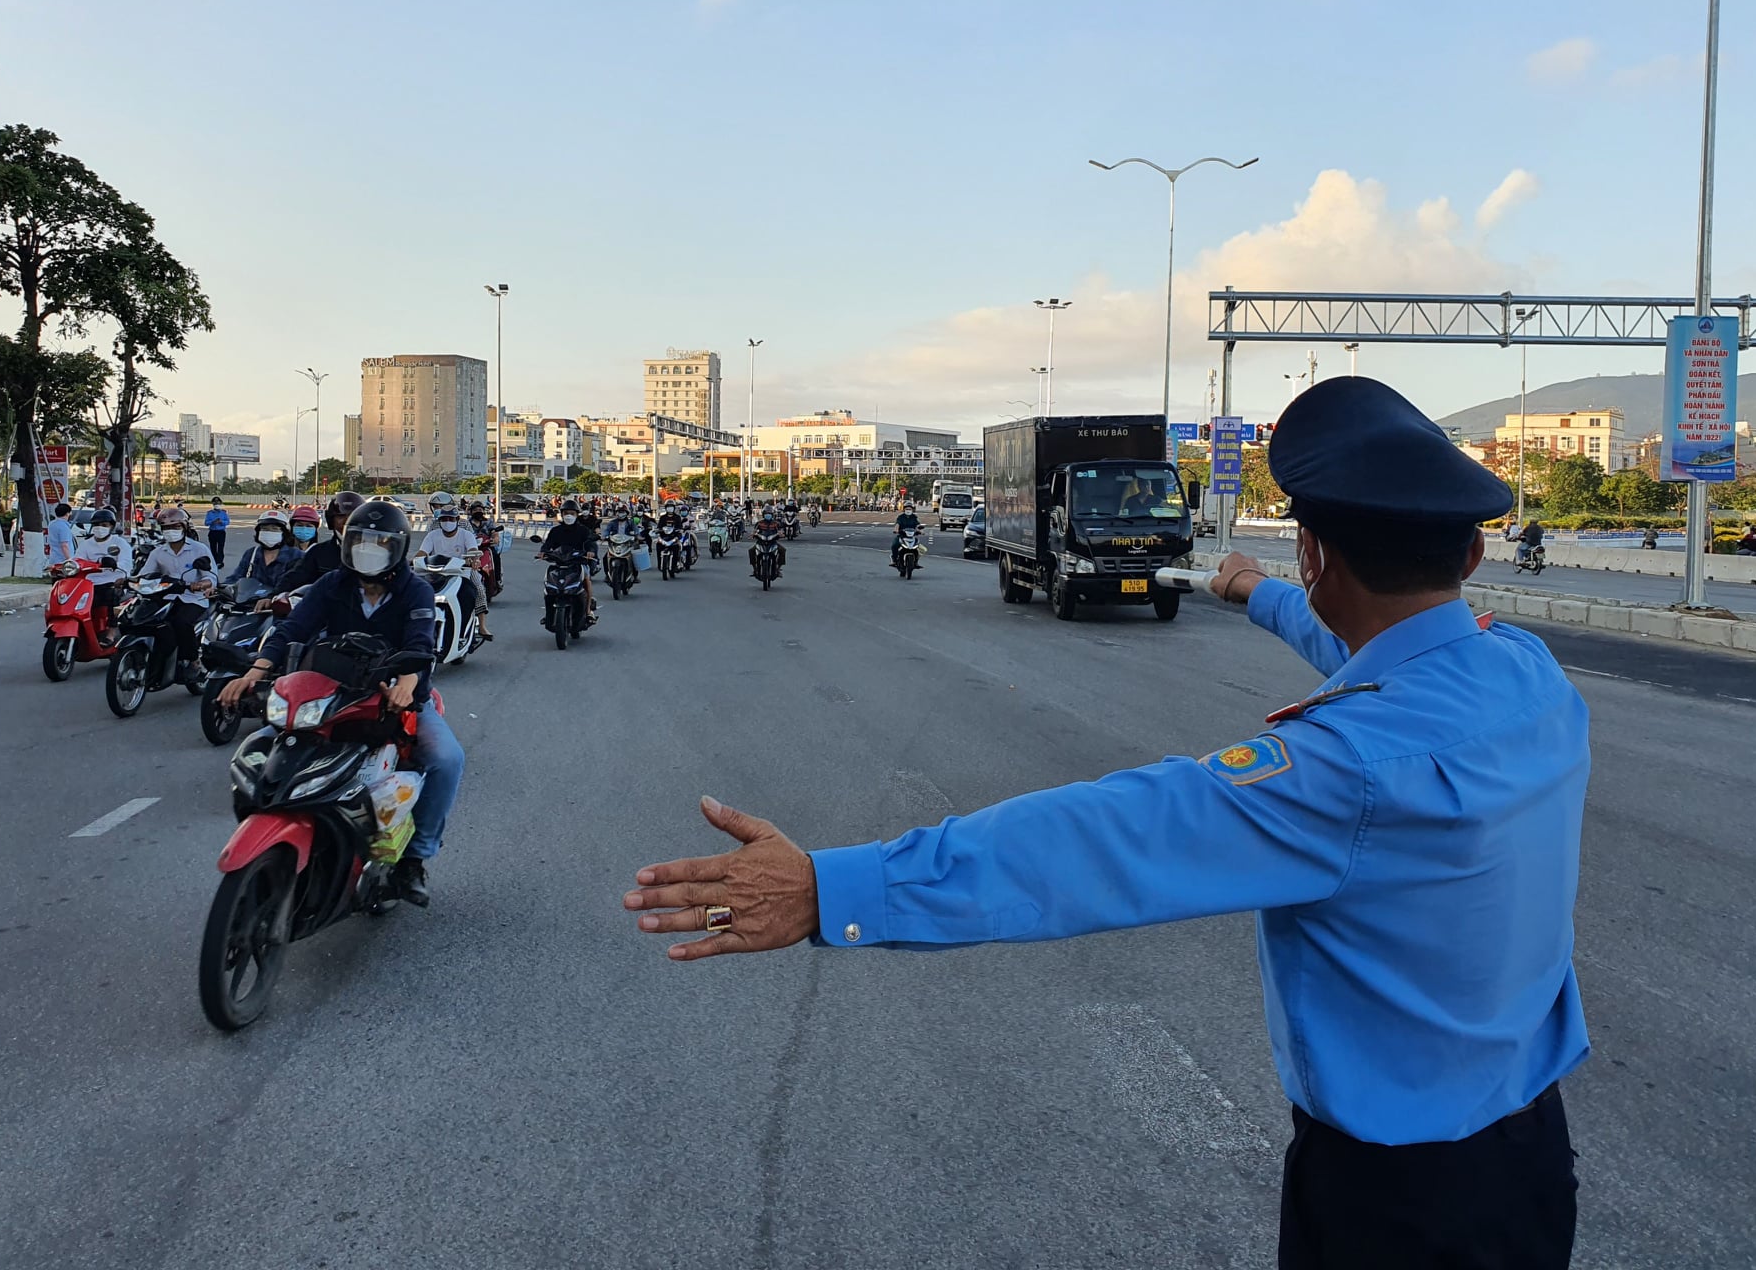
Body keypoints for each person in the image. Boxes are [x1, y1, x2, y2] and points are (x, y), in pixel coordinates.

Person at [625, 376, 1588, 1270]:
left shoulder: (1343, 771)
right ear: (1470, 554)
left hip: (1399, 1206)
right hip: (1532, 1162)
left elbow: (1103, 838)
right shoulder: (1524, 674)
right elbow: (1384, 645)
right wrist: (1256, 596)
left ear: (1314, 553)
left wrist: (829, 889)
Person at [218, 501, 464, 908]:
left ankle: (415, 859)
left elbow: (421, 645)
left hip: (392, 697)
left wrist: (406, 684)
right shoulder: (332, 584)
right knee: (264, 747)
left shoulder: (415, 590)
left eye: (379, 543)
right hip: (329, 693)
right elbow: (292, 629)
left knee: (446, 758)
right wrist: (254, 672)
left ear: (397, 548)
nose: (368, 550)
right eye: (361, 541)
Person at [135, 505, 218, 680]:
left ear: (184, 527)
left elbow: (211, 575)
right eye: (166, 528)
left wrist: (202, 584)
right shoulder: (158, 552)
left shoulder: (199, 549)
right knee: (147, 621)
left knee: (181, 622)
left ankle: (194, 661)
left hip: (192, 597)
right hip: (165, 595)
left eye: (175, 527)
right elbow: (145, 574)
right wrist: (129, 580)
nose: (170, 531)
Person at [420, 502, 491, 640]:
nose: (447, 522)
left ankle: (482, 626)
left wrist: (474, 560)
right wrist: (413, 560)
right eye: (444, 519)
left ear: (457, 520)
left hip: (463, 571)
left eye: (451, 519)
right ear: (439, 521)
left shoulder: (466, 535)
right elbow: (422, 552)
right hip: (437, 573)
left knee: (478, 589)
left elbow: (473, 550)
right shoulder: (432, 535)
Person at [279, 491, 364, 591]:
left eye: (353, 516)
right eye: (341, 516)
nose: (347, 521)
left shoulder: (375, 552)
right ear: (331, 520)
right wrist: (273, 596)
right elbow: (293, 579)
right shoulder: (317, 552)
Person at [538, 500, 599, 621]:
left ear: (577, 515)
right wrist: (543, 552)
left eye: (572, 513)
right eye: (566, 513)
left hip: (578, 563)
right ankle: (549, 613)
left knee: (587, 580)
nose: (569, 516)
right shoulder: (556, 531)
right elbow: (548, 544)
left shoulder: (583, 530)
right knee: (548, 584)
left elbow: (590, 543)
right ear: (562, 514)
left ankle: (588, 611)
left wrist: (590, 551)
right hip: (559, 564)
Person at [225, 509, 298, 603]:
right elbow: (236, 578)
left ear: (284, 533)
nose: (269, 532)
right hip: (249, 604)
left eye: (275, 529)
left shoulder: (296, 555)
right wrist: (219, 588)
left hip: (279, 606)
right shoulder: (252, 553)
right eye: (265, 529)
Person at [81, 510, 134, 589]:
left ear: (111, 526)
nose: (100, 528)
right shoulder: (85, 544)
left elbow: (127, 564)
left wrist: (115, 564)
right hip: (90, 583)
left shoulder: (120, 543)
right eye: (96, 525)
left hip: (113, 583)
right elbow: (78, 561)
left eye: (104, 525)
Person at [45, 502, 78, 567]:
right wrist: (69, 560)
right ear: (67, 513)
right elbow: (64, 545)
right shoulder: (63, 527)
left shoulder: (52, 524)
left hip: (54, 557)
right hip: (63, 560)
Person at [204, 496, 231, 569]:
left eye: (218, 503)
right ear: (213, 504)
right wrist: (212, 522)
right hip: (212, 532)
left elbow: (227, 522)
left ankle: (220, 561)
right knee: (213, 547)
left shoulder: (223, 513)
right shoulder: (209, 513)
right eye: (215, 503)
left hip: (221, 532)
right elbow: (206, 523)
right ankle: (214, 561)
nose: (216, 504)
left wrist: (221, 522)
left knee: (220, 547)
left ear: (221, 503)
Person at [891, 501, 921, 566]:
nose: (908, 510)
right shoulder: (901, 517)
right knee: (894, 545)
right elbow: (897, 524)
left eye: (910, 509)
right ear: (904, 509)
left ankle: (916, 562)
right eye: (907, 509)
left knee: (917, 547)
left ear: (912, 510)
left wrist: (920, 531)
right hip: (902, 536)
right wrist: (896, 530)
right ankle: (894, 560)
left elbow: (917, 525)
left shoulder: (914, 517)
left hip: (912, 536)